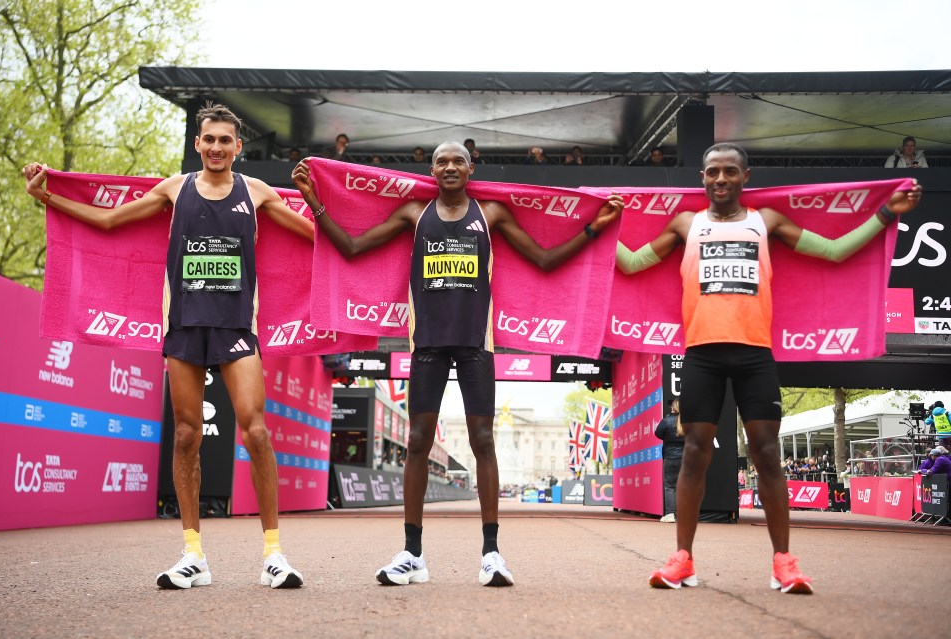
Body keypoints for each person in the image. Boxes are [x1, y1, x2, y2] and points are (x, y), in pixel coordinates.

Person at [292, 141, 622, 587]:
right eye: (442, 161)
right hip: (426, 343)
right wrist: (315, 203)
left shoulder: (491, 215)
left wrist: (594, 229)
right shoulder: (414, 214)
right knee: (416, 442)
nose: (450, 167)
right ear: (431, 170)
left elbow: (543, 260)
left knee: (483, 439)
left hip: (474, 345)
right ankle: (412, 553)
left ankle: (491, 554)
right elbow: (351, 248)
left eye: (458, 161)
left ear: (471, 169)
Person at [22, 103, 313, 590]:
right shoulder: (175, 190)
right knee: (185, 436)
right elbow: (111, 222)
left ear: (238, 147)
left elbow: (317, 238)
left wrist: (321, 205)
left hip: (237, 329)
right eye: (209, 140)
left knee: (256, 431)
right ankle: (193, 554)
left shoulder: (256, 193)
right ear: (198, 144)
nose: (217, 147)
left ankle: (273, 554)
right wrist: (48, 197)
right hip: (183, 328)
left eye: (226, 140)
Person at [615, 142, 922, 594]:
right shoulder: (686, 223)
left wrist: (886, 214)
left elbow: (835, 252)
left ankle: (784, 563)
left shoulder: (767, 222)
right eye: (712, 172)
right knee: (695, 454)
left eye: (730, 172)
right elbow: (636, 262)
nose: (720, 179)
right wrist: (600, 230)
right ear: (702, 178)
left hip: (754, 354)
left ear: (746, 176)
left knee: (767, 454)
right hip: (701, 352)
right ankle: (682, 560)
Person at [654, 397, 685, 523]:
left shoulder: (666, 421)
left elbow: (658, 434)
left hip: (671, 458)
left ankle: (671, 514)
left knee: (670, 486)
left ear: (673, 407)